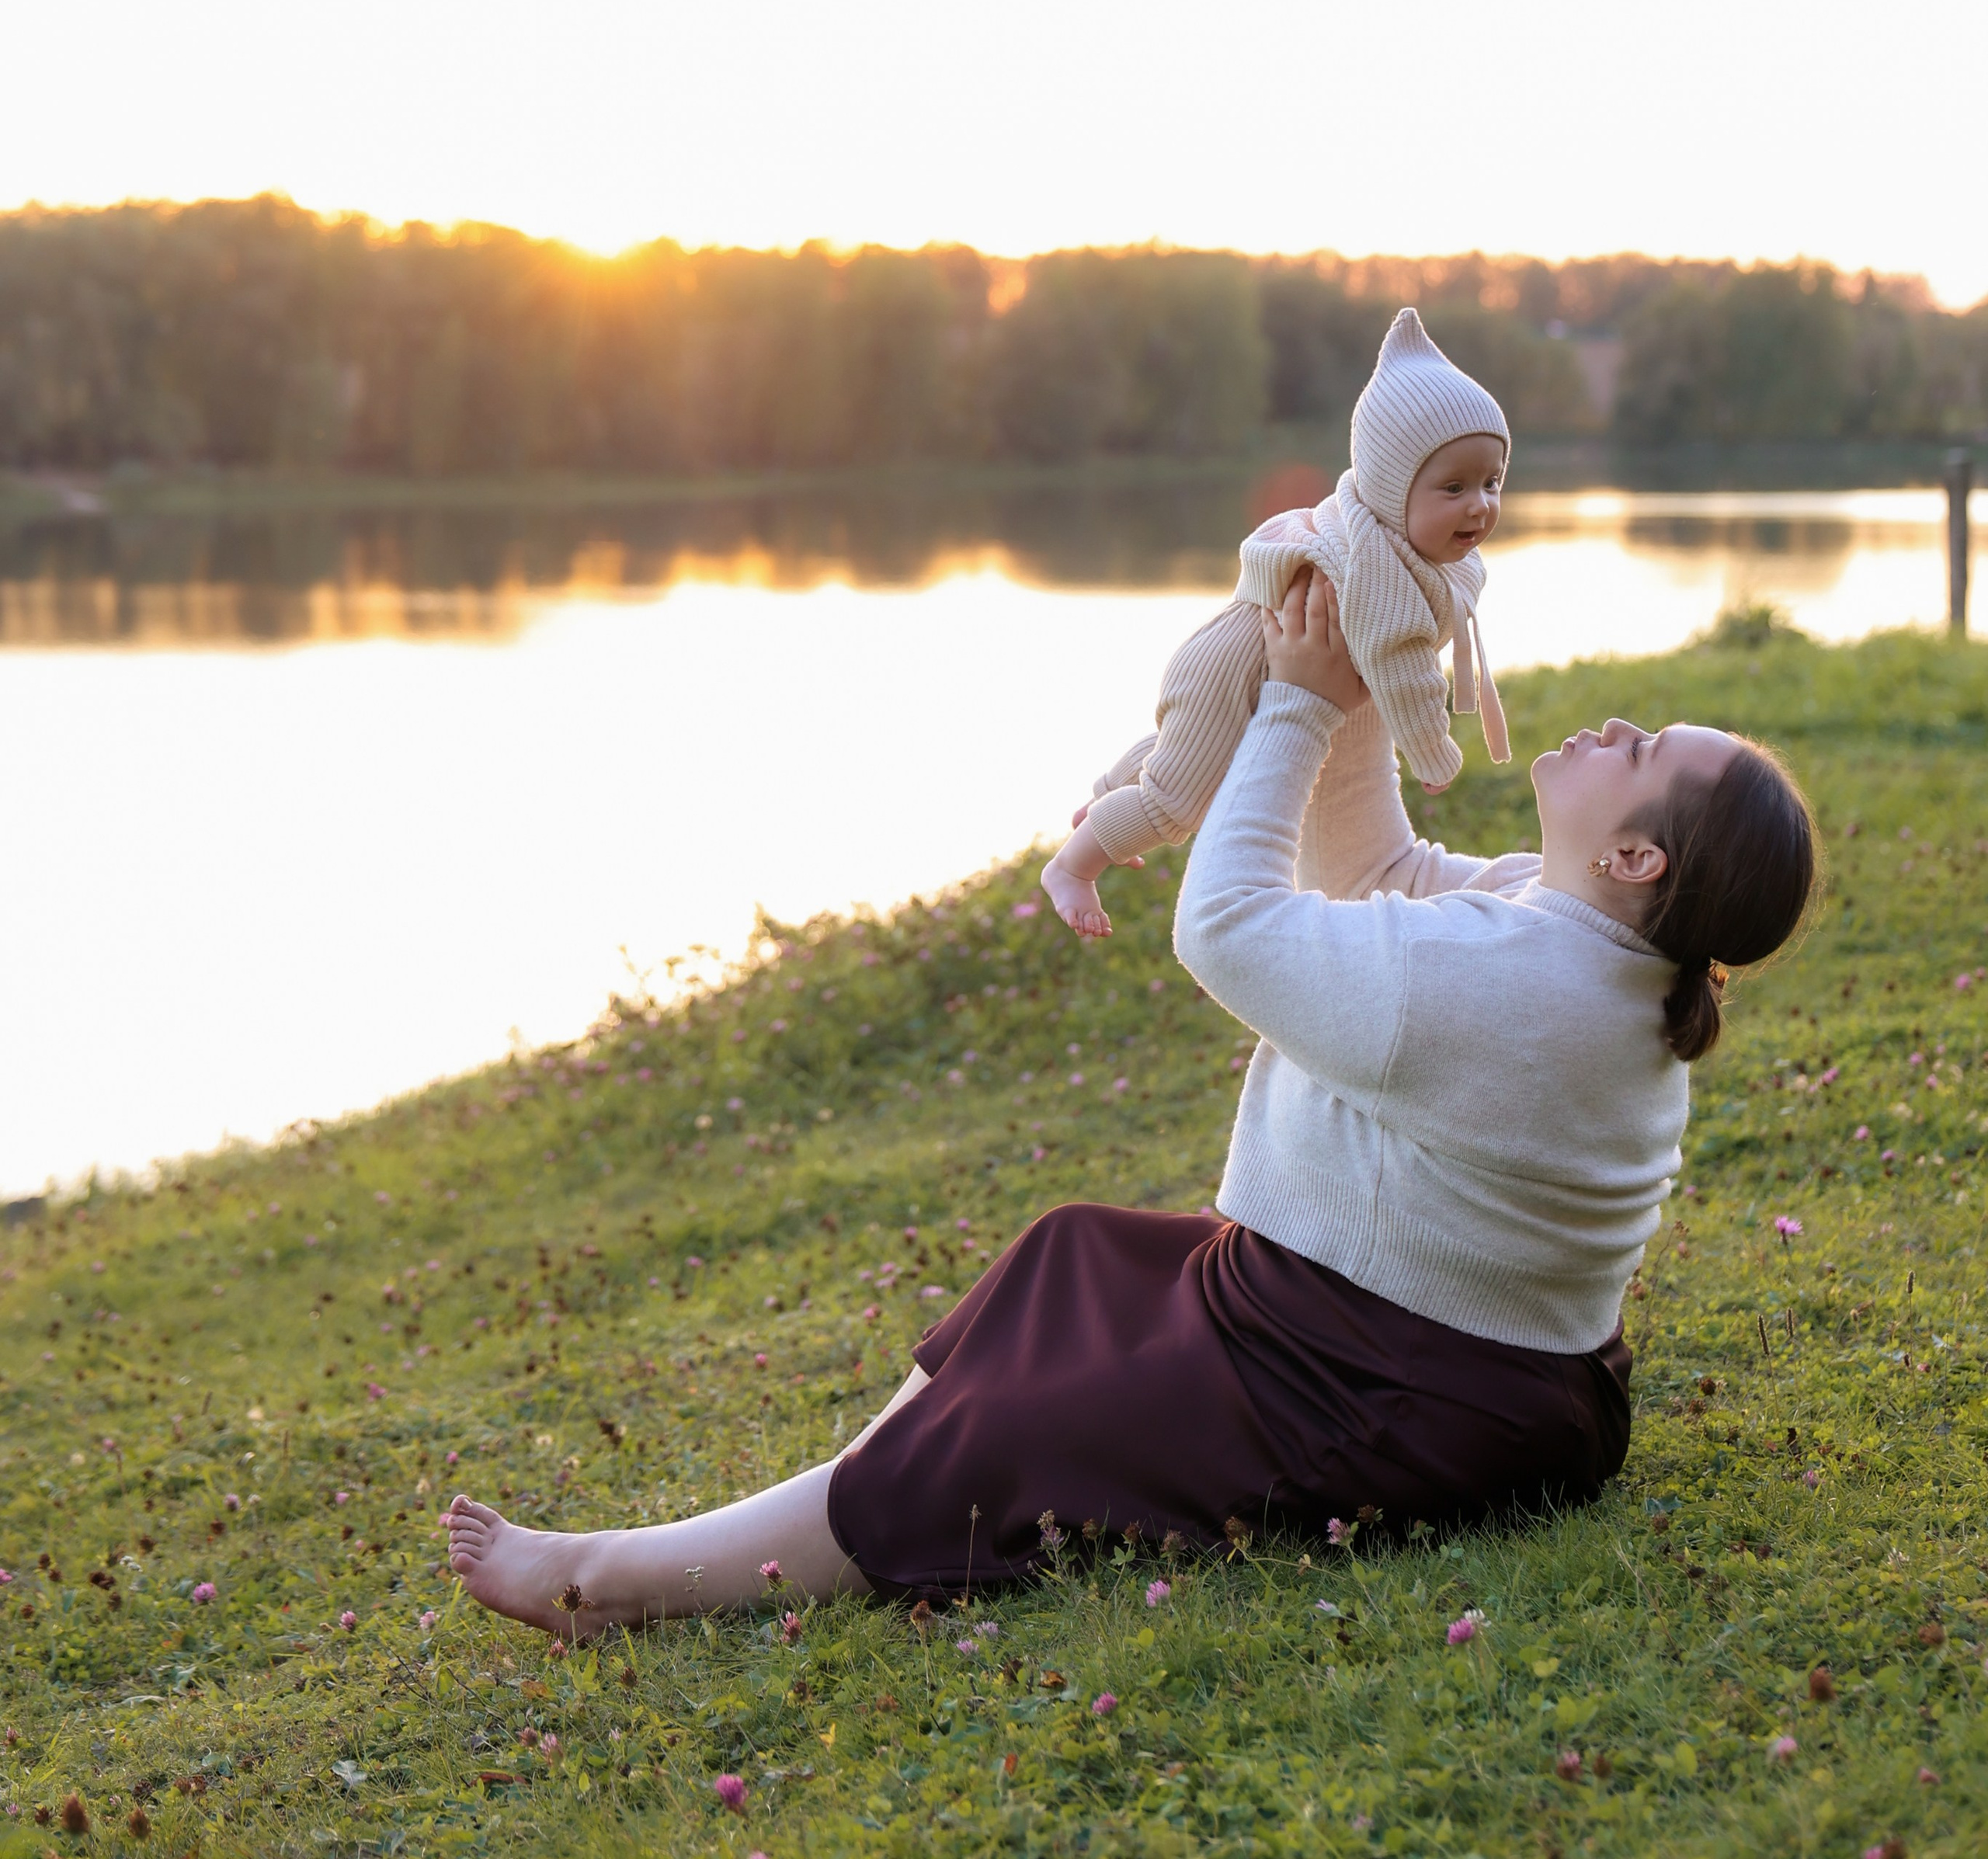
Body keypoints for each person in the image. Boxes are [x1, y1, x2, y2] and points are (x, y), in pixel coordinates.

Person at [441, 572, 1816, 1635]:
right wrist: (1339, 694)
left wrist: (1284, 706)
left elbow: (1228, 929)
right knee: (1069, 1257)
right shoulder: (1565, 928)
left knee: (1020, 1430)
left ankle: (620, 1581)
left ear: (1637, 854)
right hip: (1446, 1358)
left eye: (1644, 747)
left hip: (1404, 1391)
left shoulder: (1519, 980)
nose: (1617, 723)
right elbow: (1384, 872)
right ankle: (816, 1501)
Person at [1040, 308, 1513, 938]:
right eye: (1453, 488)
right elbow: (1399, 658)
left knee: (1200, 751)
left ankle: (1106, 795)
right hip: (1234, 672)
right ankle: (1074, 867)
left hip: (1246, 660)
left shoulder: (1410, 548)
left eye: (1492, 481)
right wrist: (1432, 751)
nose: (1479, 505)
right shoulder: (1379, 565)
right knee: (1178, 804)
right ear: (1391, 487)